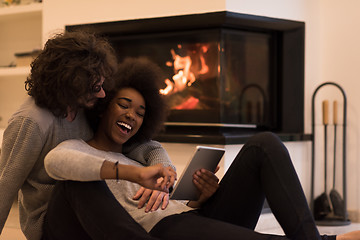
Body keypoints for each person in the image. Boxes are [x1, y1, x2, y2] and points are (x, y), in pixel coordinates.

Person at [44, 57, 360, 240]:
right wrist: (135, 175)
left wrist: (198, 198)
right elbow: (56, 162)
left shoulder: (140, 153)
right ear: (103, 108)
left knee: (264, 143)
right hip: (161, 230)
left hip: (187, 218)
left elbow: (167, 184)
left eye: (141, 112)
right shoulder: (79, 153)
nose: (132, 115)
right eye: (123, 105)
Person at [0, 31, 161, 240]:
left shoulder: (84, 108)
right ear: (72, 81)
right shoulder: (30, 122)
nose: (103, 93)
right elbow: (4, 188)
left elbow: (133, 145)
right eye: (96, 87)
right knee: (76, 179)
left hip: (91, 213)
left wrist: (163, 167)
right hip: (51, 221)